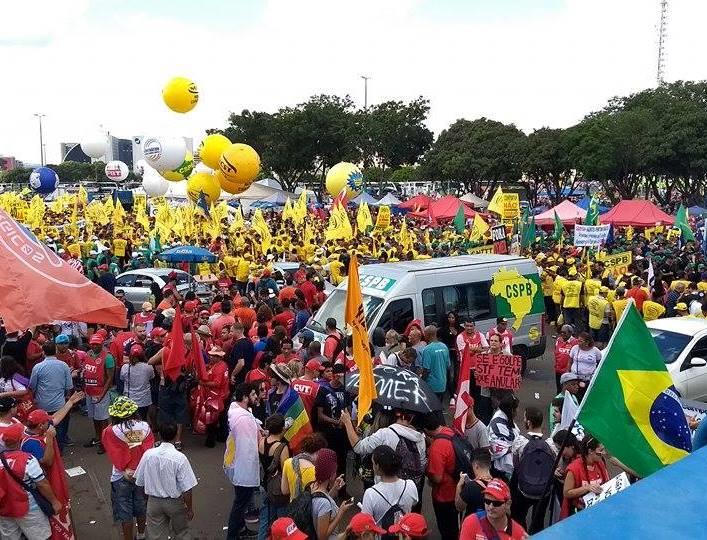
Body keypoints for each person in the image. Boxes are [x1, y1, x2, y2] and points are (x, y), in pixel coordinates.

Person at [101, 396, 154, 540]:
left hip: (121, 476)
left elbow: (113, 452)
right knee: (141, 506)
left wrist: (125, 468)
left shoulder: (110, 431)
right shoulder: (145, 427)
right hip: (141, 475)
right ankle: (141, 535)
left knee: (125, 512)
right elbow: (148, 450)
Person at [134, 422, 198, 540]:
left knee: (156, 536)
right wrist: (189, 509)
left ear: (159, 435)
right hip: (174, 503)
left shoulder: (148, 455)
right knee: (182, 533)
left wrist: (147, 500)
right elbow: (187, 489)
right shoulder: (180, 458)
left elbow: (139, 482)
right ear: (175, 436)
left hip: (154, 502)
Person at [0, 422, 63, 540]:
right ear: (20, 439)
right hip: (28, 508)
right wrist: (54, 501)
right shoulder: (27, 460)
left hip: (5, 509)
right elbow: (42, 483)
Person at [224, 383, 261, 540]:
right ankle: (232, 536)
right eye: (253, 395)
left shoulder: (239, 413)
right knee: (240, 505)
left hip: (234, 463)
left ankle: (241, 530)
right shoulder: (243, 419)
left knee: (241, 503)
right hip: (242, 467)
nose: (256, 397)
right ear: (245, 398)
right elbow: (249, 448)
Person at [29, 341, 73, 452]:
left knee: (43, 431)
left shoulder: (38, 367)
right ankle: (59, 451)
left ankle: (47, 451)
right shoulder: (64, 366)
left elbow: (32, 386)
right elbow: (69, 386)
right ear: (56, 351)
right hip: (60, 405)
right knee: (60, 432)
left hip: (43, 404)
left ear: (43, 352)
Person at [361, 445, 419, 528]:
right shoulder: (410, 485)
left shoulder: (370, 494)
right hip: (404, 534)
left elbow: (365, 522)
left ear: (377, 466)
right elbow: (414, 502)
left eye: (373, 463)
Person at [422, 412, 459, 540]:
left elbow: (437, 478)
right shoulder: (450, 431)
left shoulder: (437, 447)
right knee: (454, 524)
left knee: (447, 529)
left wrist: (427, 470)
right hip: (457, 488)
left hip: (444, 495)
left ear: (426, 430)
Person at [459, 479, 528, 539]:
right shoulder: (471, 522)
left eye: (496, 503)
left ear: (508, 504)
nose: (491, 507)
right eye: (487, 501)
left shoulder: (519, 533)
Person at [309, 448, 354, 540]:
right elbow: (322, 537)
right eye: (334, 471)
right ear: (331, 475)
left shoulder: (314, 486)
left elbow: (321, 497)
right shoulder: (324, 504)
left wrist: (334, 489)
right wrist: (341, 512)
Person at [82, 333, 116, 454]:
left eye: (97, 344)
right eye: (92, 344)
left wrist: (102, 394)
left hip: (101, 392)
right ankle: (97, 438)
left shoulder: (108, 357)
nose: (94, 346)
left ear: (102, 344)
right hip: (89, 392)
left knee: (103, 419)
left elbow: (110, 378)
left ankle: (105, 442)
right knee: (94, 417)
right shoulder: (88, 354)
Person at [258, 414, 290, 539]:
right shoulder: (282, 448)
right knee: (280, 521)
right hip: (278, 488)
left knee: (265, 520)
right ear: (282, 428)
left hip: (264, 484)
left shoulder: (261, 441)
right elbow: (286, 470)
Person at [561, 435, 609, 518]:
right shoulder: (574, 468)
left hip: (598, 511)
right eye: (601, 450)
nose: (604, 453)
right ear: (590, 451)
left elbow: (607, 482)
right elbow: (566, 493)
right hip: (579, 514)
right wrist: (587, 488)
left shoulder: (600, 463)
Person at [281, 432, 328, 501]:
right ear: (319, 452)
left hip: (293, 508)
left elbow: (285, 491)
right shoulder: (318, 472)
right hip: (311, 510)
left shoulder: (288, 462)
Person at [488, 392, 520, 480]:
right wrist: (515, 447)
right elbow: (499, 445)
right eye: (516, 408)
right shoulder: (498, 422)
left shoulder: (505, 417)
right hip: (500, 469)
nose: (518, 411)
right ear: (511, 410)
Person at [455, 449, 494, 517]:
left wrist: (459, 485)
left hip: (474, 524)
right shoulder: (499, 484)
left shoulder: (471, 487)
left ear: (476, 465)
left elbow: (459, 507)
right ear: (490, 465)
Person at [120, 344, 155, 421]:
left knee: (130, 421)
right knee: (143, 420)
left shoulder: (125, 367)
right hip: (144, 400)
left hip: (130, 399)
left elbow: (122, 379)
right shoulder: (148, 366)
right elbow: (152, 377)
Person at [421, 325, 451, 402]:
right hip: (442, 384)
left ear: (428, 335)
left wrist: (421, 382)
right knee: (439, 406)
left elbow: (426, 370)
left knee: (432, 409)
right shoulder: (444, 346)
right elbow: (448, 366)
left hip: (431, 385)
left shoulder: (427, 350)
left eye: (424, 333)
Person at [553, 325, 578, 394]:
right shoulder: (558, 340)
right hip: (558, 370)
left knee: (568, 391)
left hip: (568, 372)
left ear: (570, 333)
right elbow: (556, 352)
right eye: (561, 332)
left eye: (564, 332)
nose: (562, 334)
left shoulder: (575, 342)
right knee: (559, 389)